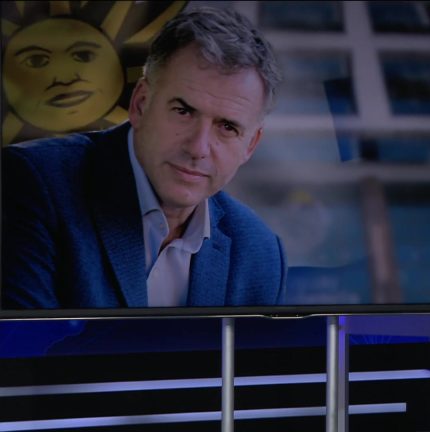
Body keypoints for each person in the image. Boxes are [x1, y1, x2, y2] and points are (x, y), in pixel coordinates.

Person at [1, 8, 286, 308]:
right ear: (140, 104)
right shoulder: (34, 185)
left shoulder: (259, 254)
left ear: (251, 145)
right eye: (183, 111)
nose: (198, 148)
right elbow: (24, 338)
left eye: (227, 127)